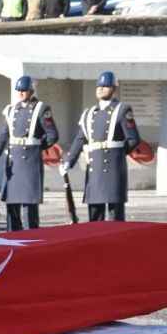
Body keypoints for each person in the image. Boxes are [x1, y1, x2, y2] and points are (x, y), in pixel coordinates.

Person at [61, 71, 141, 222]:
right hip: (95, 168)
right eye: (99, 85)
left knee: (114, 214)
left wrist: (117, 154)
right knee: (95, 213)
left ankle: (116, 245)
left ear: (113, 89)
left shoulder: (122, 110)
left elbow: (133, 139)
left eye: (105, 86)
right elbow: (79, 139)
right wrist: (69, 161)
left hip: (114, 170)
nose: (101, 88)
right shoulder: (89, 113)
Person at [0, 76, 59, 231]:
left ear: (31, 90)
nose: (20, 93)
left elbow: (52, 135)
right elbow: (3, 136)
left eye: (24, 90)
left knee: (29, 205)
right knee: (12, 205)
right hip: (13, 163)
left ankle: (31, 238)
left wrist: (36, 146)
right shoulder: (12, 110)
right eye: (18, 90)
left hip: (29, 162)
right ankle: (13, 237)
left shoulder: (41, 109)